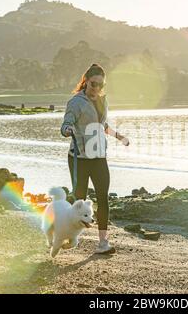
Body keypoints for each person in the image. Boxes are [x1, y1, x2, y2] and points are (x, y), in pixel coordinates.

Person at [60, 63, 129, 254]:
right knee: (79, 199)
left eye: (101, 85)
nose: (97, 88)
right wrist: (67, 130)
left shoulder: (102, 101)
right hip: (79, 158)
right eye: (93, 84)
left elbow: (102, 124)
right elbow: (66, 123)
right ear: (86, 81)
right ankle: (67, 234)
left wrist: (119, 136)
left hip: (99, 157)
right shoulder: (76, 102)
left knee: (103, 198)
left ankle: (102, 243)